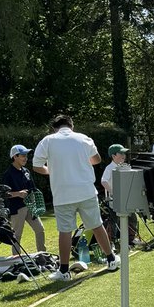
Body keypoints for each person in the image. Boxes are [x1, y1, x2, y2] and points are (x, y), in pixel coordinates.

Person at [32, 114, 119, 282]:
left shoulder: (48, 141)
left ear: (54, 128)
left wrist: (52, 170)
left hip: (63, 194)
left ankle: (64, 271)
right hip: (86, 190)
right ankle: (111, 259)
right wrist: (78, 161)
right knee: (97, 225)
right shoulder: (83, 138)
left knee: (65, 231)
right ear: (71, 125)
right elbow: (96, 159)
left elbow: (36, 166)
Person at [0, 145, 46, 257]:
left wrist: (35, 202)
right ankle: (17, 260)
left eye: (26, 155)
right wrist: (18, 193)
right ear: (15, 157)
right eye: (23, 156)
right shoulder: (8, 174)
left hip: (30, 207)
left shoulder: (26, 171)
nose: (26, 158)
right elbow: (3, 193)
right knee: (17, 235)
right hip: (17, 209)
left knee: (40, 230)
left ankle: (43, 256)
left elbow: (32, 189)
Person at [101, 143, 139, 246]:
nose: (123, 156)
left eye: (124, 153)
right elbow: (103, 181)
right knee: (113, 221)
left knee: (132, 217)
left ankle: (131, 239)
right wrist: (113, 192)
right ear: (113, 156)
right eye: (121, 153)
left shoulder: (124, 167)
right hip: (113, 199)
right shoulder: (110, 168)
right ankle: (111, 243)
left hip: (125, 198)